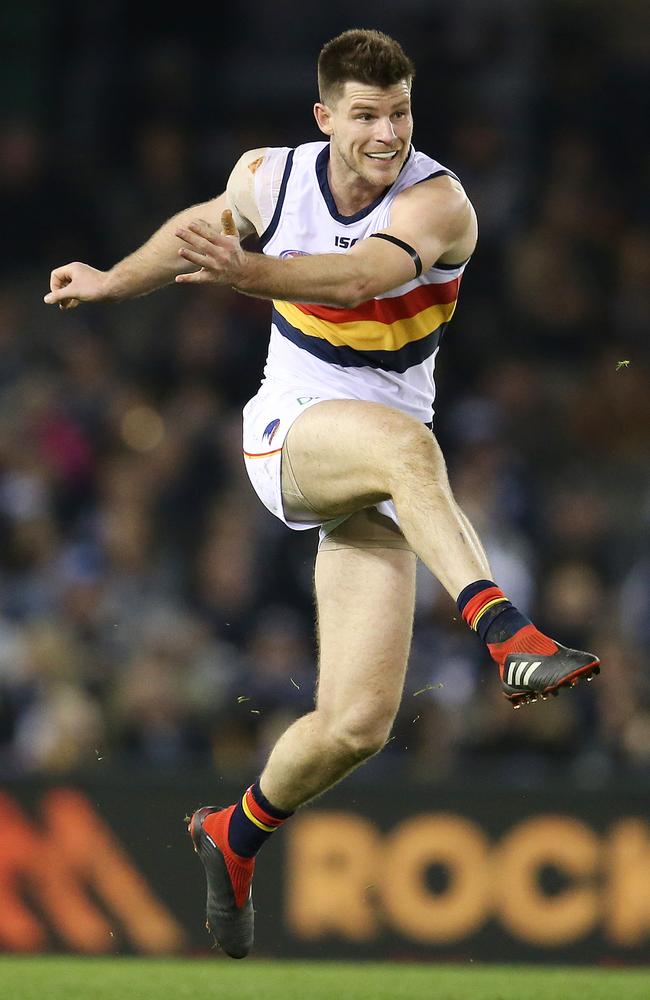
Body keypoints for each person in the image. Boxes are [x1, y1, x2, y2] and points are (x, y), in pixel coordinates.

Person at [44, 29, 600, 959]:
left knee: (355, 726)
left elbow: (363, 275)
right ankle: (509, 634)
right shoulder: (271, 177)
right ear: (326, 116)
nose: (388, 133)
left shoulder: (439, 200)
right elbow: (200, 229)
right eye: (368, 116)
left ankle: (237, 831)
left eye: (401, 113)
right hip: (291, 437)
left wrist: (249, 276)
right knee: (408, 444)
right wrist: (111, 281)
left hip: (382, 476)